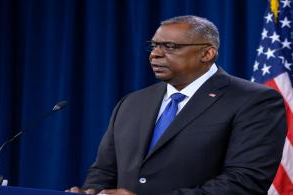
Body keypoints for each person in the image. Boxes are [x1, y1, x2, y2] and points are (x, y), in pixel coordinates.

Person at [66, 15, 287, 195]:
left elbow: (244, 182)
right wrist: (91, 191)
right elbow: (104, 170)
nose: (155, 54)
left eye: (170, 46)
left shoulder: (254, 100)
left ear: (207, 53)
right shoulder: (132, 102)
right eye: (153, 46)